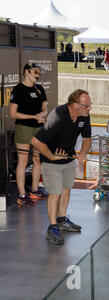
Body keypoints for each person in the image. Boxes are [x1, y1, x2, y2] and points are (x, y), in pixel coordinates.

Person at [31, 89, 92, 245]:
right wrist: (51, 156)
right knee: (55, 192)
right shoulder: (58, 115)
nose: (89, 108)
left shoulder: (84, 116)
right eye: (86, 105)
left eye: (90, 105)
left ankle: (62, 219)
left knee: (66, 189)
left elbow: (87, 138)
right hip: (52, 161)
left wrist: (83, 153)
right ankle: (52, 227)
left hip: (68, 158)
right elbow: (36, 141)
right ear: (75, 104)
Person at [9, 63, 48, 206]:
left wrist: (41, 115)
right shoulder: (18, 89)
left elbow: (45, 109)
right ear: (27, 72)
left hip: (39, 129)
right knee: (23, 160)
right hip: (24, 128)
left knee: (37, 159)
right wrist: (32, 117)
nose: (37, 74)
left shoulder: (39, 88)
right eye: (35, 71)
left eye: (39, 72)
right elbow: (13, 113)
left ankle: (35, 190)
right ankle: (22, 195)